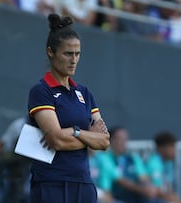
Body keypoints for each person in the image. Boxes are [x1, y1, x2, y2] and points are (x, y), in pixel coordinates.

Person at [27, 14, 110, 203]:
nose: (74, 60)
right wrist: (88, 137)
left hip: (83, 184)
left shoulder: (84, 92)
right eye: (68, 53)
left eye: (77, 54)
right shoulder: (41, 91)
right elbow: (56, 139)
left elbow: (104, 141)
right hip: (51, 185)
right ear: (51, 52)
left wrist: (74, 132)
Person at [99, 127, 161, 203]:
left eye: (125, 139)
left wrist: (149, 188)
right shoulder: (104, 158)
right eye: (120, 139)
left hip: (137, 196)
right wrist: (142, 190)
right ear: (111, 140)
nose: (124, 142)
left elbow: (143, 177)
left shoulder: (133, 158)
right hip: (117, 196)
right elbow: (119, 180)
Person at [0, 117, 30, 203]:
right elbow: (0, 145)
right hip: (13, 170)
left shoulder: (47, 125)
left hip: (31, 171)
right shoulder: (18, 125)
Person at [147, 131, 181, 203]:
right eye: (171, 146)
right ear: (161, 148)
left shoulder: (168, 163)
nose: (174, 150)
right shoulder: (154, 164)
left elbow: (169, 189)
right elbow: (158, 192)